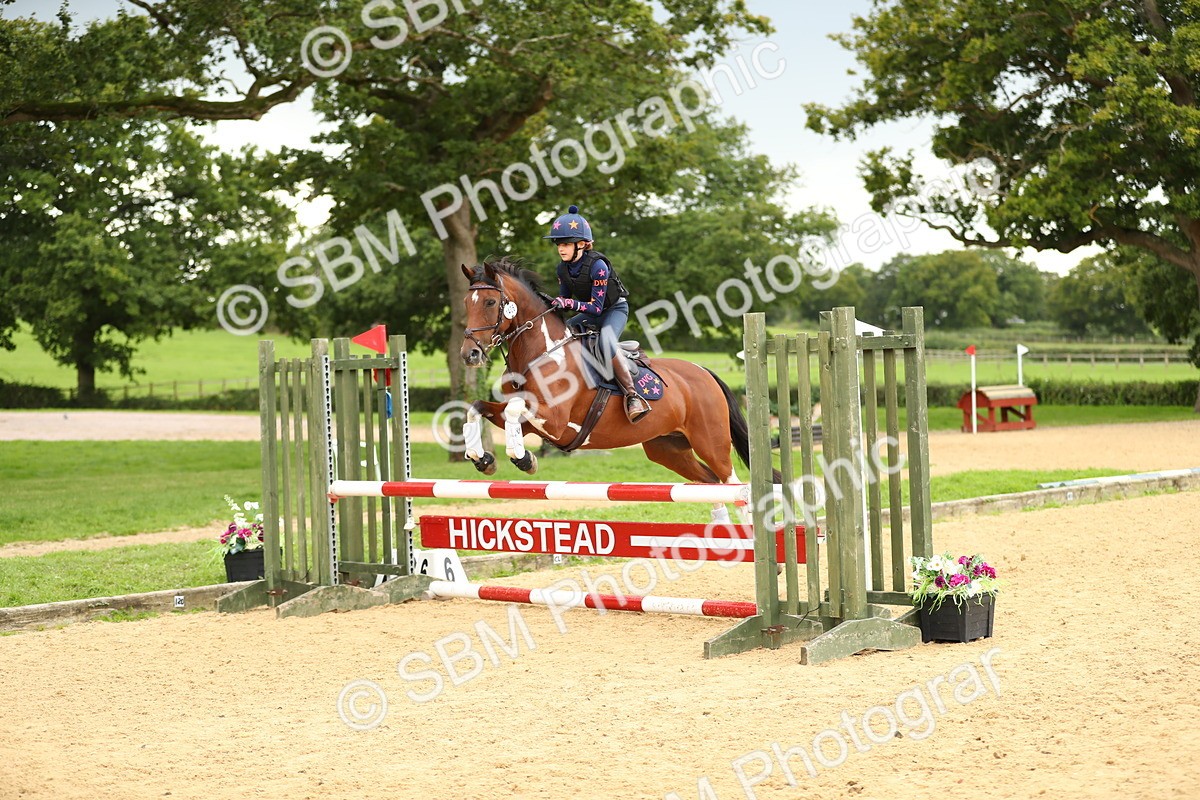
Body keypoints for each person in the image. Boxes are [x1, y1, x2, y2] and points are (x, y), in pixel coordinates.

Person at [544, 205, 650, 424]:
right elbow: (566, 303)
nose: (561, 249)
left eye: (565, 244)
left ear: (581, 244)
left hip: (613, 310)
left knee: (606, 343)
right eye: (558, 244)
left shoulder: (598, 266)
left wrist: (568, 302)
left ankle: (632, 396)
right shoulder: (562, 269)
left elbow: (596, 308)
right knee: (563, 334)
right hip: (591, 312)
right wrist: (551, 303)